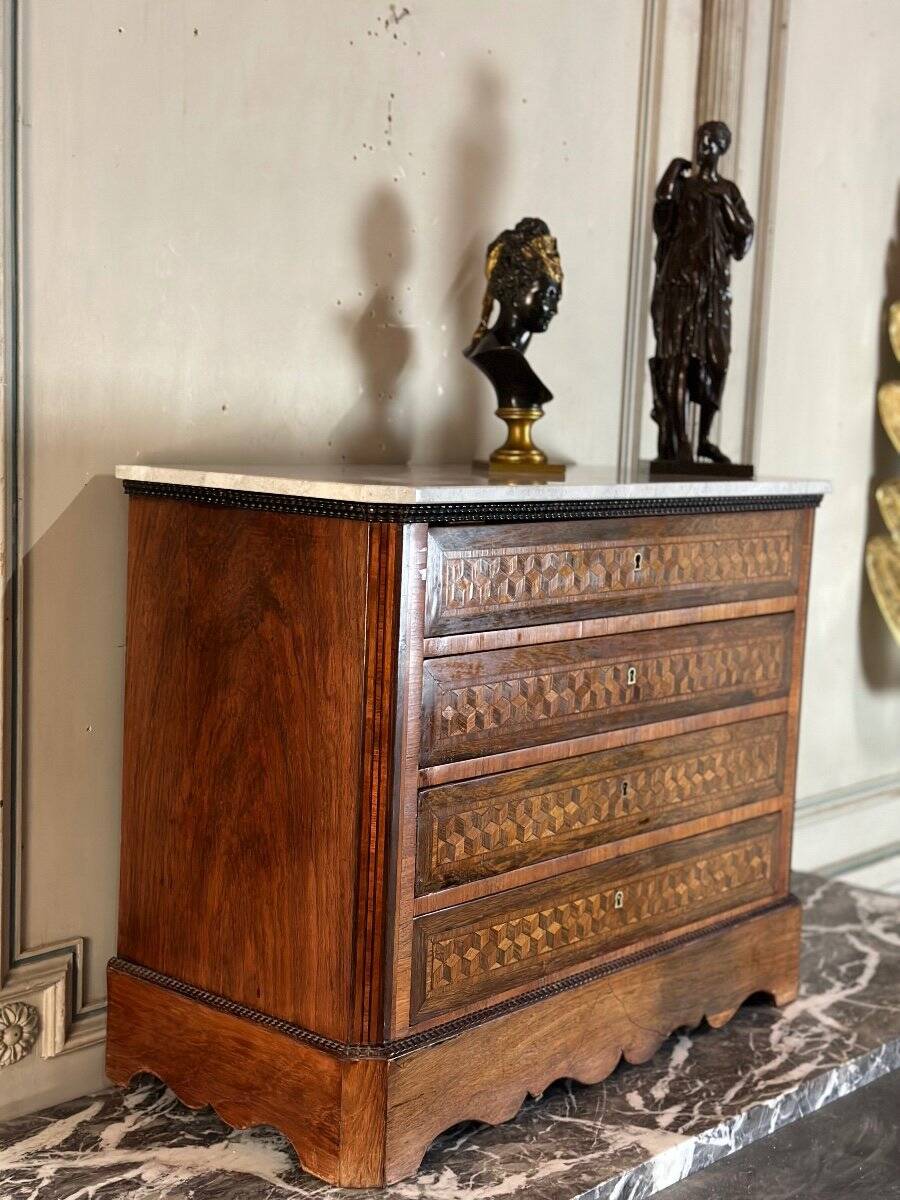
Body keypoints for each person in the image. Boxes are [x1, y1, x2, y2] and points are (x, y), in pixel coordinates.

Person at [649, 120, 754, 463]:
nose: (703, 147)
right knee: (676, 357)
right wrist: (673, 170)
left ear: (722, 148)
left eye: (710, 142)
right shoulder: (682, 187)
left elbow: (744, 237)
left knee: (716, 359)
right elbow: (661, 214)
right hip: (680, 282)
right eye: (701, 140)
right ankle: (680, 438)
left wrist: (722, 203)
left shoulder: (728, 190)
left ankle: (704, 438)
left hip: (713, 288)